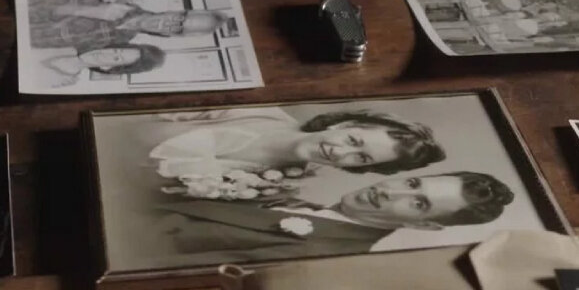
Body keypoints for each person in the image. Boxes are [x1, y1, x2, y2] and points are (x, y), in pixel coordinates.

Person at [154, 171, 514, 261]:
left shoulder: (322, 254)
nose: (390, 191)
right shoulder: (296, 200)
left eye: (418, 203)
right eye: (413, 182)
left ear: (424, 225)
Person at [148, 107, 445, 178]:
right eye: (352, 140)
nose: (339, 152)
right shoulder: (258, 111)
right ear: (343, 124)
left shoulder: (278, 186)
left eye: (361, 158)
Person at [27, 0, 228, 50]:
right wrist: (82, 10)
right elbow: (35, 1)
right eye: (178, 18)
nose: (166, 24)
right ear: (174, 11)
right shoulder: (116, 1)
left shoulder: (123, 41)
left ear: (171, 35)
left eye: (177, 29)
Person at [31, 43, 165, 87]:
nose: (105, 53)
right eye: (115, 50)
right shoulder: (65, 44)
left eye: (116, 58)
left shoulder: (65, 81)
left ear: (108, 68)